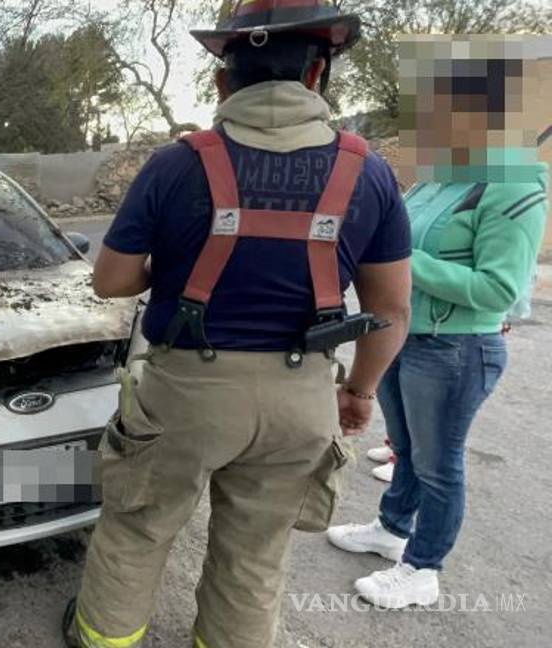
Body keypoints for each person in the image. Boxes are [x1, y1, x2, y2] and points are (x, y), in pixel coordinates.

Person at [62, 2, 414, 646]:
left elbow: (110, 280)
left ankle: (104, 639)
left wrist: (167, 273)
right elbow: (389, 311)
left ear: (224, 82)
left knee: (138, 528)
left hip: (184, 395)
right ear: (316, 77)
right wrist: (359, 393)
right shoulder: (369, 172)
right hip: (298, 398)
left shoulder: (176, 164)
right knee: (255, 551)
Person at [327, 35, 549, 609]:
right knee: (403, 445)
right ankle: (391, 530)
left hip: (455, 349)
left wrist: (406, 266)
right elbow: (391, 232)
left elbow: (499, 289)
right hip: (405, 336)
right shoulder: (436, 178)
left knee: (438, 463)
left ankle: (424, 568)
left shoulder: (514, 184)